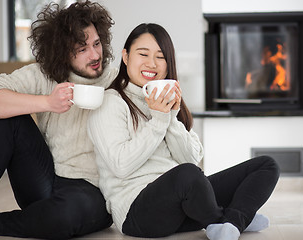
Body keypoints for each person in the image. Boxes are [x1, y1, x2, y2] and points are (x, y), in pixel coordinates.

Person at [87, 23, 280, 240]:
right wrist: (159, 118)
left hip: (183, 205)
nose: (152, 63)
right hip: (138, 214)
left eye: (161, 57)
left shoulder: (166, 101)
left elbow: (190, 158)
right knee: (187, 175)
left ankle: (233, 221)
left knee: (266, 165)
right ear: (125, 56)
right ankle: (228, 218)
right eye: (143, 54)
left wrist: (169, 116)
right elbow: (121, 166)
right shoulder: (110, 103)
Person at [0, 1, 118, 239]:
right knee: (6, 119)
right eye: (82, 49)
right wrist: (46, 103)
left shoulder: (116, 80)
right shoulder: (46, 74)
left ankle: (6, 223)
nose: (95, 55)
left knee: (62, 218)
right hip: (45, 177)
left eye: (96, 44)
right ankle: (40, 217)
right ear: (62, 52)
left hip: (92, 188)